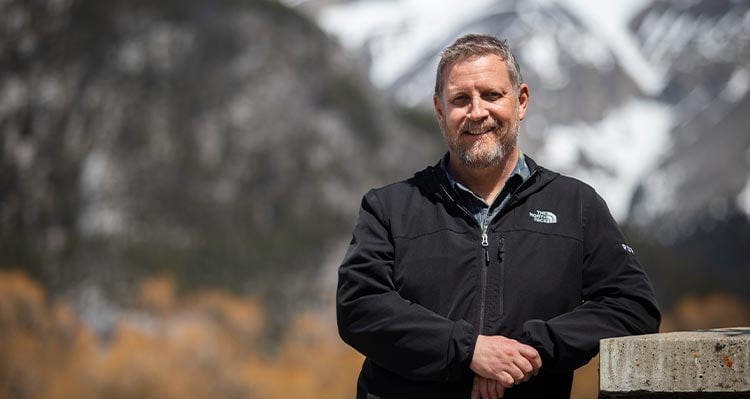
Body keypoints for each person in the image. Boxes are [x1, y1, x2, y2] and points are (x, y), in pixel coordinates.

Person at [336, 34, 660, 399]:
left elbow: (633, 306)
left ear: (521, 101)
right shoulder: (389, 207)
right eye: (460, 99)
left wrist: (527, 351)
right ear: (440, 111)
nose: (477, 112)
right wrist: (469, 350)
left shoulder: (577, 205)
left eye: (491, 95)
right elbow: (359, 306)